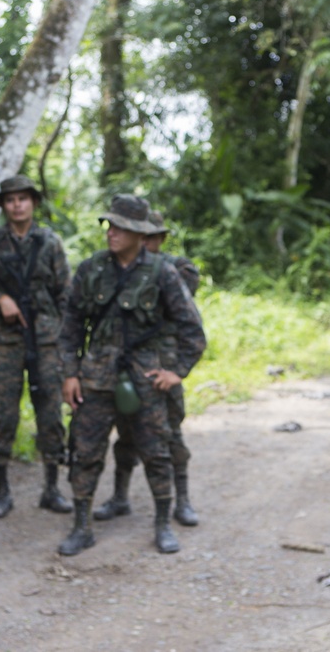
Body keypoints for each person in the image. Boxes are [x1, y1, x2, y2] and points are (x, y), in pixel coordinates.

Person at [58, 195, 206, 556]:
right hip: (95, 377)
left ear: (141, 234)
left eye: (122, 228)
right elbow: (71, 326)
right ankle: (82, 526)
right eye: (111, 225)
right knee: (85, 450)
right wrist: (70, 373)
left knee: (157, 450)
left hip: (146, 376)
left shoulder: (162, 272)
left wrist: (176, 372)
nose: (113, 233)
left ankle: (161, 524)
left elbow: (192, 329)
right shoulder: (92, 269)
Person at [0, 175, 73, 518]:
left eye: (23, 199)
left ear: (33, 203)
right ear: (3, 206)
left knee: (50, 412)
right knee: (3, 412)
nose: (17, 205)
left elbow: (65, 295)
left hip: (45, 339)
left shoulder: (49, 243)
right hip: (6, 339)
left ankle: (52, 488)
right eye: (10, 200)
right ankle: (2, 490)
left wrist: (67, 341)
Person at [92, 210, 202, 527]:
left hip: (164, 366)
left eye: (152, 237)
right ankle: (119, 497)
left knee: (170, 435)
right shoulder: (113, 269)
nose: (146, 242)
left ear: (159, 239)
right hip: (129, 366)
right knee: (126, 434)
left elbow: (179, 304)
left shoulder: (176, 269)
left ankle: (182, 500)